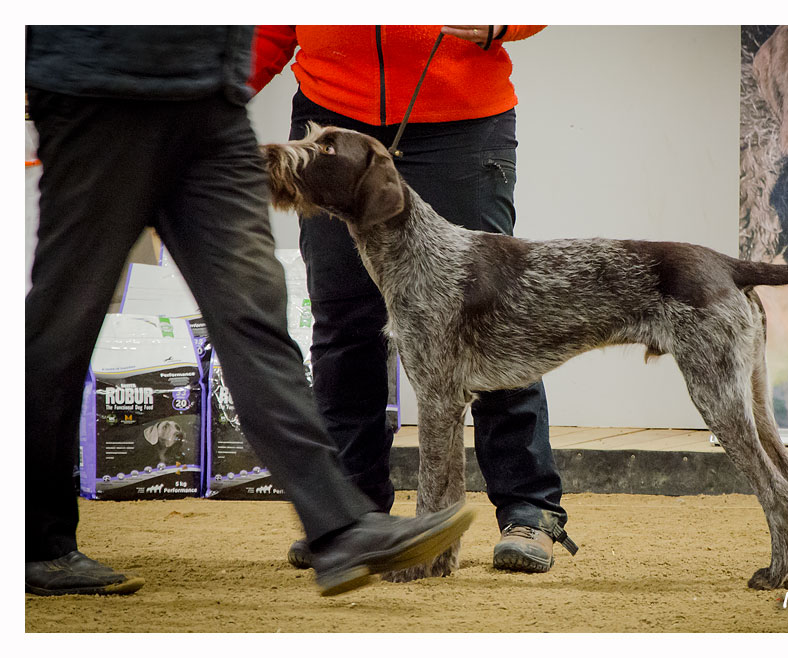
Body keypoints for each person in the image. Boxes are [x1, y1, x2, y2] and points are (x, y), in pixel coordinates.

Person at [25, 25, 473, 598]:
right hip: (103, 97)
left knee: (256, 316)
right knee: (66, 321)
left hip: (213, 107)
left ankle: (340, 528)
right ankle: (39, 540)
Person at [251, 25, 576, 573]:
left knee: (492, 316)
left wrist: (500, 23)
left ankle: (529, 510)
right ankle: (350, 517)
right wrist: (209, 96)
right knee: (341, 322)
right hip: (334, 118)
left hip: (459, 124)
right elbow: (270, 26)